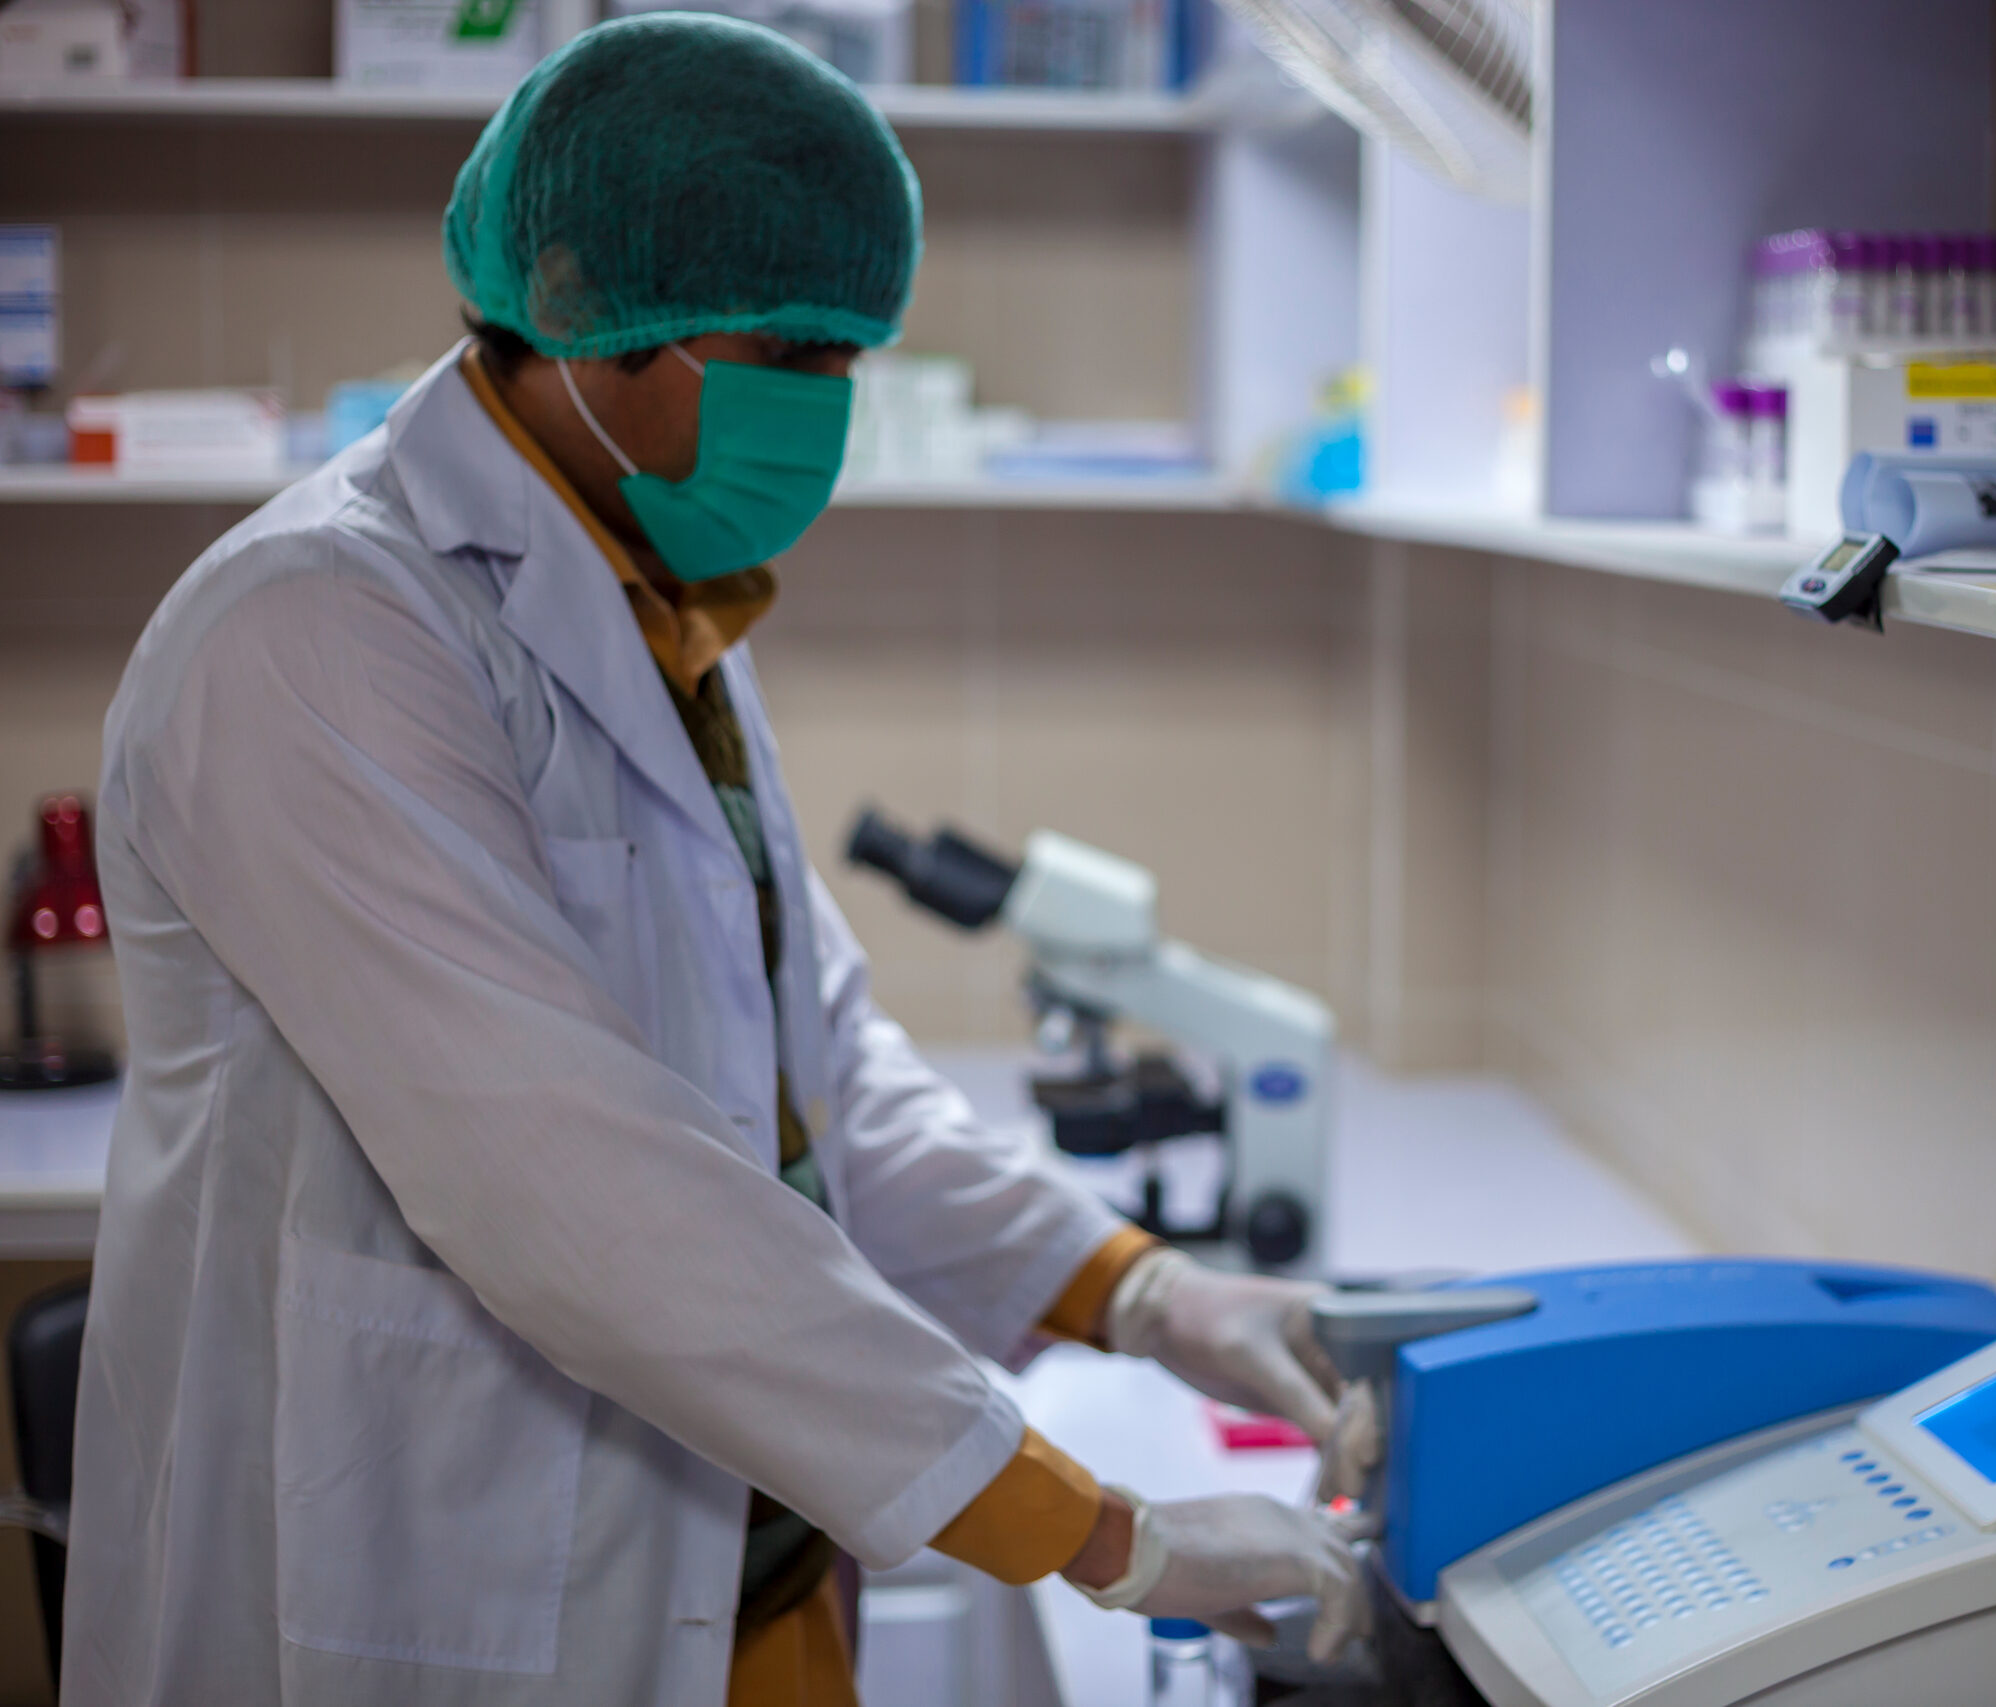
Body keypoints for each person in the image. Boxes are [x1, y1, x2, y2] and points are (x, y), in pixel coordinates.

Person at [60, 16, 1372, 1705]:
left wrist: (1143, 1293)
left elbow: (816, 1084)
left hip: (739, 1573)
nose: (825, 409)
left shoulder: (653, 602)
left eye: (850, 360)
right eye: (787, 354)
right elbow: (565, 1176)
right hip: (436, 1583)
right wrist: (1100, 1530)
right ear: (574, 299)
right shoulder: (319, 628)